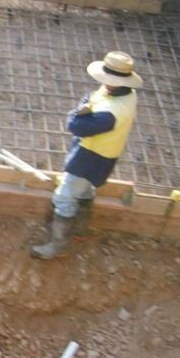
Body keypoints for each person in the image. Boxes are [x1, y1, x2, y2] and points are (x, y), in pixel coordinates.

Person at [32, 51, 142, 259]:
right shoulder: (126, 93)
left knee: (64, 197)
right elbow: (92, 99)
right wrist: (87, 104)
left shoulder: (110, 113)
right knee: (84, 190)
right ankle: (80, 230)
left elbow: (75, 125)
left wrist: (80, 110)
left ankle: (58, 246)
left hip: (91, 156)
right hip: (104, 154)